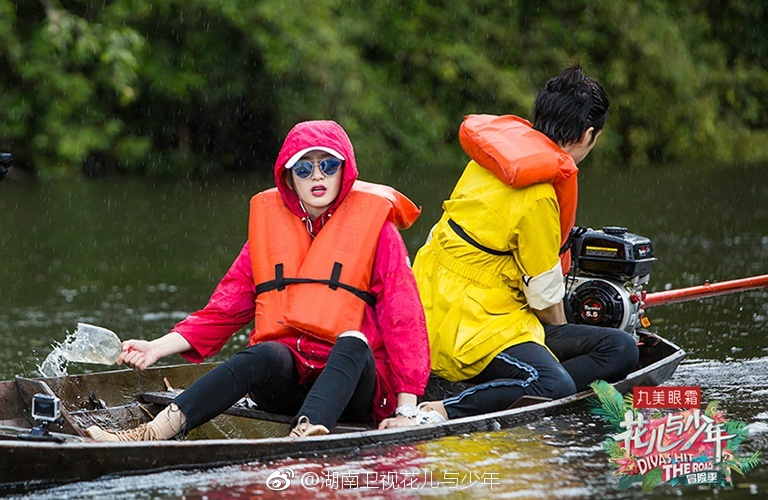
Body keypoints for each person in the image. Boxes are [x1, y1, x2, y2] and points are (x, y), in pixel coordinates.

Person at [86, 120, 434, 441]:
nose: (317, 176)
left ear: (345, 171)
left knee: (354, 342)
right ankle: (152, 432)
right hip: (287, 386)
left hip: (350, 390)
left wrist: (406, 409)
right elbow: (222, 311)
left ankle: (304, 436)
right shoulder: (268, 235)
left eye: (328, 165)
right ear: (288, 176)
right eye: (304, 167)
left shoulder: (380, 234)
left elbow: (404, 320)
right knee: (265, 352)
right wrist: (156, 347)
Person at [412, 65, 639, 420]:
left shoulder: (488, 162)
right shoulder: (537, 197)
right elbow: (546, 303)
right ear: (588, 135)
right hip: (471, 330)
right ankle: (445, 407)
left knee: (619, 348)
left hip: (427, 310)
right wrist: (565, 334)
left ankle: (503, 388)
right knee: (571, 376)